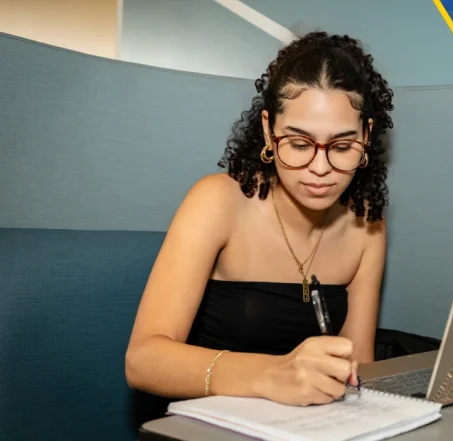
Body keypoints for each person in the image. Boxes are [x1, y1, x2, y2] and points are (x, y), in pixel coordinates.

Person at [125, 31, 393, 424]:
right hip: (199, 429)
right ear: (269, 130)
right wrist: (273, 375)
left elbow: (358, 370)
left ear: (366, 136)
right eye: (300, 144)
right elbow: (143, 361)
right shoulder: (218, 201)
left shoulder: (365, 220)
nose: (320, 169)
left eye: (341, 146)